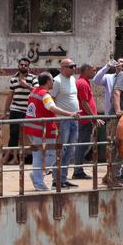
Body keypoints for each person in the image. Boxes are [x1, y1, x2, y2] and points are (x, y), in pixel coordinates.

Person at [24, 72, 80, 191]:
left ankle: (37, 177)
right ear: (48, 82)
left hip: (32, 128)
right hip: (42, 130)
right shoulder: (45, 95)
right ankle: (38, 180)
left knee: (40, 155)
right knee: (52, 155)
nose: (54, 82)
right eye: (52, 80)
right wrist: (70, 114)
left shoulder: (34, 91)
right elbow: (52, 108)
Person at [51, 58, 81, 187]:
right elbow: (51, 100)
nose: (74, 68)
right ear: (63, 67)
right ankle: (56, 180)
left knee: (70, 150)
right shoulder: (57, 81)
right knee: (61, 150)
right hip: (62, 120)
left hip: (74, 119)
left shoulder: (73, 79)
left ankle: (63, 178)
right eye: (71, 66)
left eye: (74, 66)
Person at [3, 57, 38, 164]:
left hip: (29, 111)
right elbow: (10, 95)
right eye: (21, 64)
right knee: (13, 134)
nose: (23, 66)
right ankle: (13, 158)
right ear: (18, 66)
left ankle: (32, 158)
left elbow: (38, 91)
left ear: (28, 67)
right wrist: (5, 111)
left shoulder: (33, 78)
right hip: (15, 109)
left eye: (25, 65)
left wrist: (26, 85)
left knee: (31, 135)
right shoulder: (13, 79)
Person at [73, 64, 103, 180]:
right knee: (82, 145)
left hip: (86, 119)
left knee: (83, 145)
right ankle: (78, 171)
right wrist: (94, 117)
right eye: (93, 70)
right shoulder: (82, 83)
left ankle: (78, 169)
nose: (95, 72)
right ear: (86, 70)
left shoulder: (84, 82)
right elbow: (84, 102)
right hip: (84, 120)